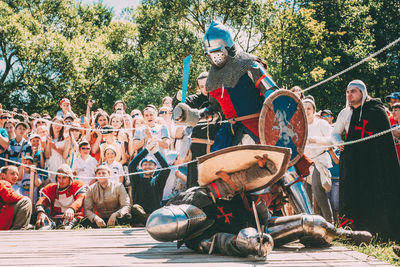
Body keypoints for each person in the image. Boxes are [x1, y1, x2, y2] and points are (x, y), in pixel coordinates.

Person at [146, 149, 372, 258]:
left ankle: (342, 235)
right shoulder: (197, 239)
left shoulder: (198, 196)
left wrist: (263, 168)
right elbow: (230, 242)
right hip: (255, 233)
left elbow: (235, 181)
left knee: (315, 223)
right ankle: (318, 236)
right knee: (251, 234)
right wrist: (251, 243)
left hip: (264, 222)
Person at [174, 21, 279, 149]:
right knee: (216, 164)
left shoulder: (250, 65)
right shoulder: (212, 80)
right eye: (210, 54)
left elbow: (273, 93)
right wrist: (195, 115)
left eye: (217, 52)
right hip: (231, 132)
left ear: (228, 48)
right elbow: (215, 110)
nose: (214, 58)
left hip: (259, 127)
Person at [332, 80, 400, 241]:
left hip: (373, 162)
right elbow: (335, 133)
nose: (349, 95)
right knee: (352, 194)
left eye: (353, 91)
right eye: (348, 92)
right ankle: (351, 232)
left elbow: (384, 143)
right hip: (353, 162)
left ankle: (378, 232)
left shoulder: (377, 110)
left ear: (362, 92)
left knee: (374, 195)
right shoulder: (345, 113)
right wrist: (338, 142)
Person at [303, 98, 334, 223]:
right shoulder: (300, 125)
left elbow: (332, 140)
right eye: (304, 109)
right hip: (305, 162)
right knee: (305, 194)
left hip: (319, 161)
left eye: (309, 108)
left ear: (314, 110)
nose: (307, 111)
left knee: (317, 190)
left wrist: (314, 139)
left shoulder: (322, 124)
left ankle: (330, 222)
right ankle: (309, 225)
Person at [35, 164, 87, 230]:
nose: (61, 181)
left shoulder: (76, 185)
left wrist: (72, 209)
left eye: (64, 177)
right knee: (44, 222)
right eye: (59, 177)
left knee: (73, 223)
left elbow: (80, 199)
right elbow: (42, 201)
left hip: (75, 217)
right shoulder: (52, 188)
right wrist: (40, 212)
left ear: (70, 178)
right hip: (56, 219)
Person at [128, 144, 170, 214]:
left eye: (150, 164)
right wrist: (146, 150)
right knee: (136, 208)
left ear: (155, 167)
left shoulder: (158, 181)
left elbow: (166, 168)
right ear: (141, 167)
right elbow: (132, 166)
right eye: (145, 164)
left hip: (155, 216)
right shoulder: (136, 180)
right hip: (139, 216)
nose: (148, 167)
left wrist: (155, 152)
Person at [0, 165, 32, 230]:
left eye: (17, 174)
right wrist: (23, 197)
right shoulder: (3, 182)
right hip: (2, 222)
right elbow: (9, 196)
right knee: (26, 201)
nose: (15, 176)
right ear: (3, 175)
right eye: (12, 174)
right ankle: (18, 231)